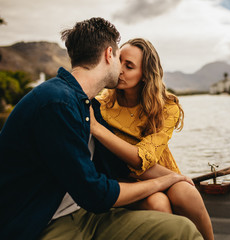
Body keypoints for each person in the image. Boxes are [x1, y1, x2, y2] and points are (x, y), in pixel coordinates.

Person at [0, 17, 203, 240]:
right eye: (120, 59)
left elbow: (125, 163)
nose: (121, 68)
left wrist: (175, 178)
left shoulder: (86, 104)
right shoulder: (57, 104)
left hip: (84, 213)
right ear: (109, 54)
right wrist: (161, 182)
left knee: (181, 230)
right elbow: (96, 193)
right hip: (39, 223)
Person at [89, 38, 214, 240]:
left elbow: (143, 158)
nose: (119, 69)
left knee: (186, 193)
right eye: (119, 60)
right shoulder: (100, 104)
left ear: (145, 75)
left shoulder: (166, 107)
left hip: (155, 171)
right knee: (158, 203)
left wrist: (97, 129)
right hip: (121, 176)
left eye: (129, 66)